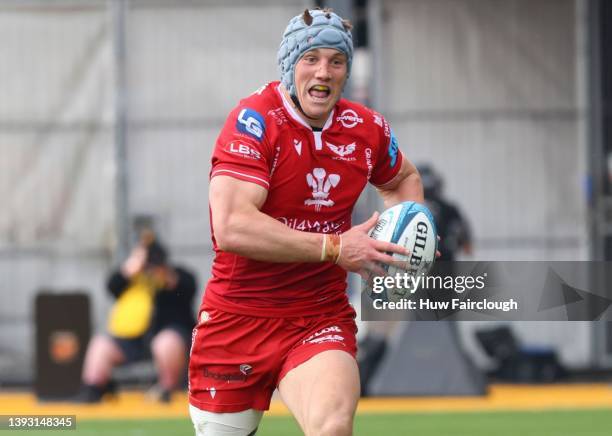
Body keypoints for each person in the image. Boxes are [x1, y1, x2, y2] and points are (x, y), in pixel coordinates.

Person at [188, 8, 425, 436]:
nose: (325, 71)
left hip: (319, 317)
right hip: (237, 319)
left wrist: (407, 234)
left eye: (337, 61)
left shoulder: (365, 128)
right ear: (289, 65)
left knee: (333, 426)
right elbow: (231, 226)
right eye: (311, 58)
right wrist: (335, 248)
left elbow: (403, 177)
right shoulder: (255, 121)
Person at [76, 233, 197, 403]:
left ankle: (168, 389)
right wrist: (131, 268)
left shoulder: (177, 275)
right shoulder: (131, 278)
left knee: (165, 343)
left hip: (169, 337)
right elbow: (112, 285)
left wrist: (165, 275)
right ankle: (93, 389)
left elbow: (188, 287)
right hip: (133, 340)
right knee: (100, 345)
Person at [418, 164, 472, 261]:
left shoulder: (448, 208)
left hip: (444, 257)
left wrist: (463, 242)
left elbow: (461, 227)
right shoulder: (409, 209)